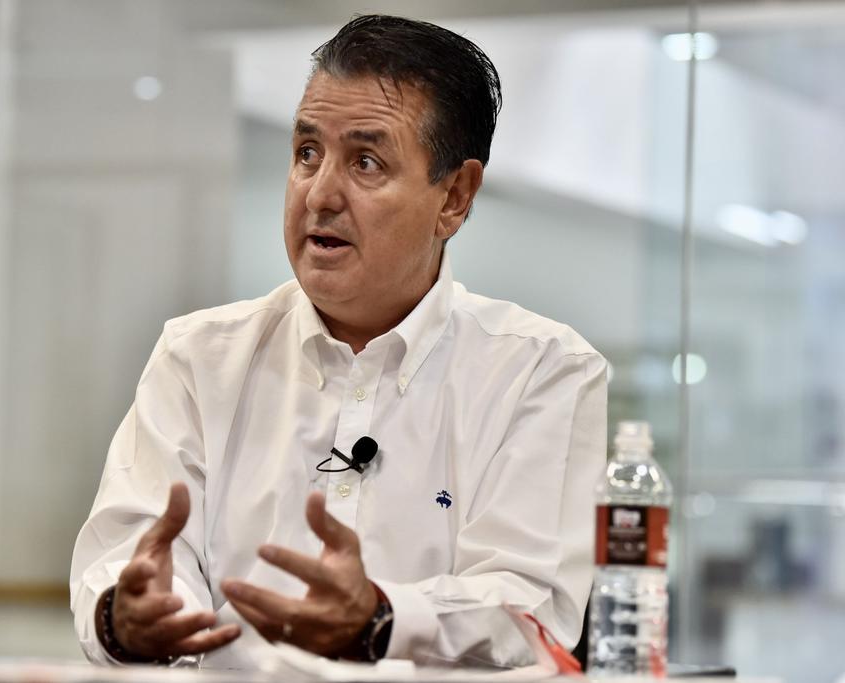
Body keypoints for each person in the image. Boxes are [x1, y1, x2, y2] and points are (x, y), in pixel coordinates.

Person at [70, 14, 607, 670]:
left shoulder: (541, 371)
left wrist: (383, 617)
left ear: (454, 196)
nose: (320, 194)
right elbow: (126, 554)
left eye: (366, 162)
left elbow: (532, 607)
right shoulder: (198, 357)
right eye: (306, 153)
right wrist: (131, 616)